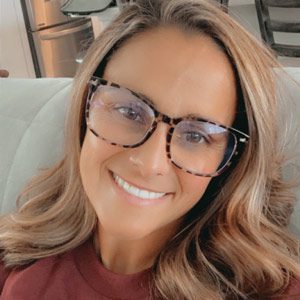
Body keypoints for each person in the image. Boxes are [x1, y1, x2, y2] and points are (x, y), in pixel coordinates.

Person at [0, 0, 300, 299]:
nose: (149, 162)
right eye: (129, 112)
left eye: (196, 136)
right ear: (85, 108)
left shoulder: (269, 288)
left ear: (231, 161)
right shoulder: (15, 254)